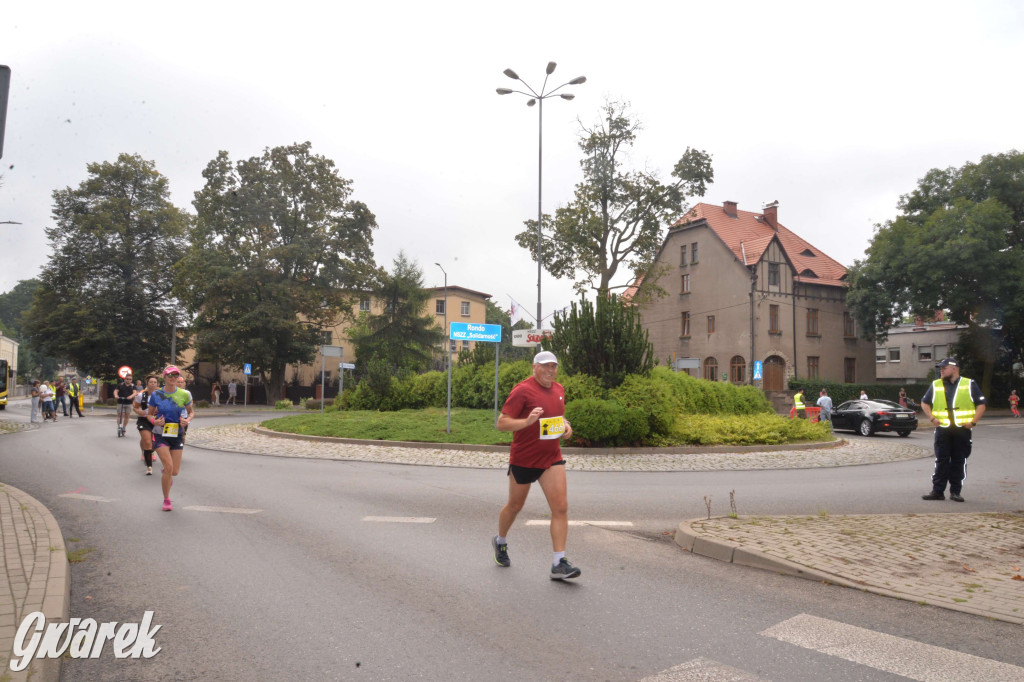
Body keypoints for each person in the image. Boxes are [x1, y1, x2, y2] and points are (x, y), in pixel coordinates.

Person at [493, 350, 579, 580]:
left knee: (560, 507)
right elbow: (501, 423)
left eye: (554, 366)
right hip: (524, 458)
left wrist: (566, 426)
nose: (550, 371)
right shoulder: (522, 390)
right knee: (514, 506)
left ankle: (558, 562)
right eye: (545, 366)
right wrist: (527, 421)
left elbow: (557, 417)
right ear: (534, 367)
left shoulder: (559, 389)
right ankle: (500, 541)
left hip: (551, 458)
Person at [920, 358, 986, 502]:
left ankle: (955, 492)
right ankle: (937, 491)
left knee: (959, 460)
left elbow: (981, 404)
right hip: (943, 429)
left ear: (955, 368)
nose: (941, 370)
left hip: (962, 429)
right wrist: (931, 418)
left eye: (944, 368)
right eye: (941, 368)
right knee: (941, 461)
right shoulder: (936, 384)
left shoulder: (969, 384)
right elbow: (924, 402)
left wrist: (973, 422)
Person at [146, 366, 194, 512]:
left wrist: (187, 420)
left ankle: (168, 475)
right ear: (164, 377)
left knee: (174, 471)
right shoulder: (156, 394)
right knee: (168, 467)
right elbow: (149, 414)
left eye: (175, 375)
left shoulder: (184, 394)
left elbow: (191, 413)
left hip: (176, 433)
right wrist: (155, 421)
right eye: (169, 375)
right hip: (161, 433)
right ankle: (166, 500)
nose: (172, 378)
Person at [133, 375, 160, 475]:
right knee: (147, 441)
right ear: (147, 384)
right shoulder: (141, 395)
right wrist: (139, 412)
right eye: (150, 382)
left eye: (154, 382)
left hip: (156, 420)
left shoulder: (161, 395)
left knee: (154, 444)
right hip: (144, 420)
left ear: (157, 384)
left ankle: (148, 452)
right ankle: (149, 467)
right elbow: (135, 407)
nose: (152, 384)